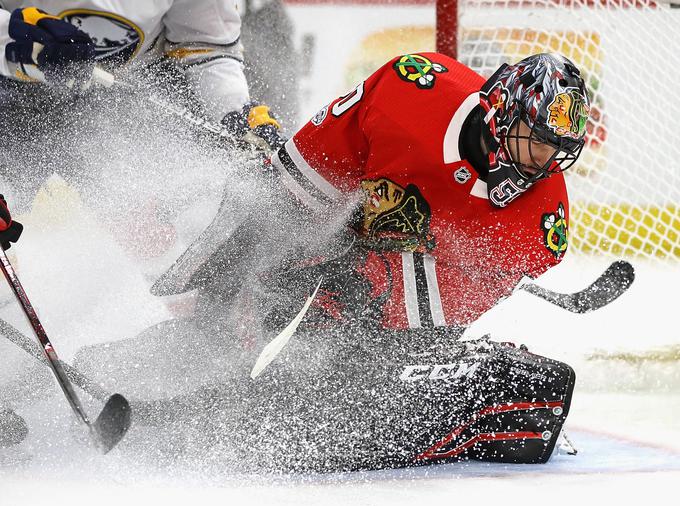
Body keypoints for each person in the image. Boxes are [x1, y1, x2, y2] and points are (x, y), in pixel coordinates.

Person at [156, 51, 590, 338]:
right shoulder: (411, 92)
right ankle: (196, 328)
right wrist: (251, 257)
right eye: (534, 140)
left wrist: (366, 283)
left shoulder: (543, 220)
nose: (543, 161)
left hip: (397, 307)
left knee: (344, 344)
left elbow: (456, 302)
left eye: (556, 150)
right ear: (499, 114)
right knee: (256, 227)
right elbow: (301, 183)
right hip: (345, 233)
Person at [0, 1, 284, 210]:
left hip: (121, 92)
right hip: (13, 91)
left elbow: (205, 48)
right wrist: (11, 38)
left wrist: (233, 111)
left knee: (171, 220)